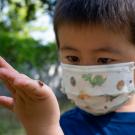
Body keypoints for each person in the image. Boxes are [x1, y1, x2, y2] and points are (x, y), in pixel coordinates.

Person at [0, 0, 135, 135]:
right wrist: (43, 129)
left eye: (104, 60)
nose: (85, 74)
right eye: (73, 58)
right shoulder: (62, 125)